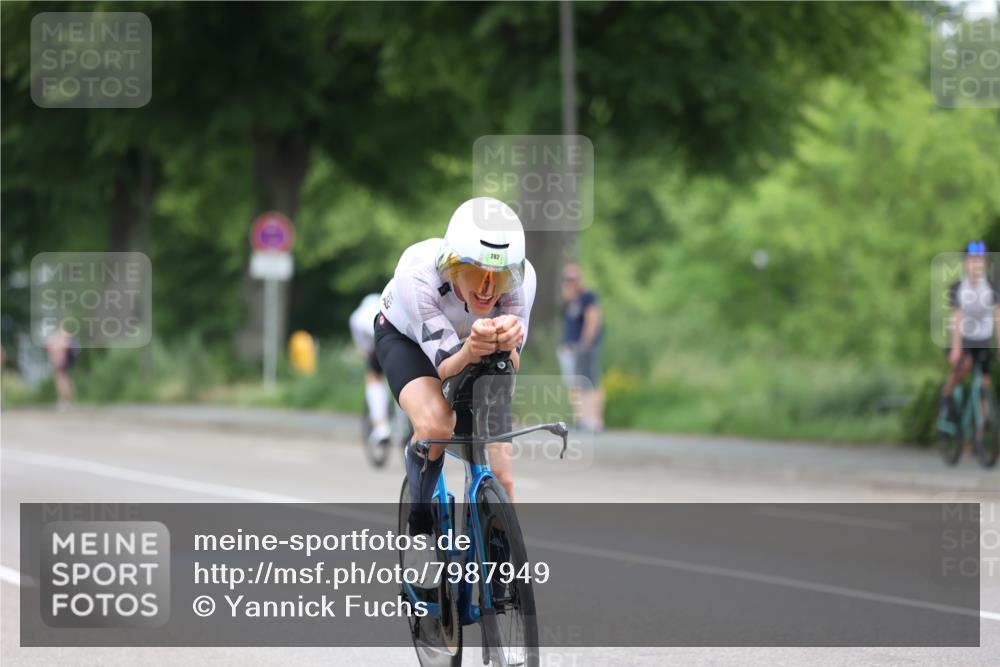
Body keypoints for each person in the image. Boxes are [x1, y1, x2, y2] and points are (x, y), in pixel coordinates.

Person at [375, 196, 536, 547]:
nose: (487, 289)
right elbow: (446, 368)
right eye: (475, 273)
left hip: (472, 345)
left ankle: (501, 576)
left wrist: (507, 345)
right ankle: (418, 530)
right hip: (409, 341)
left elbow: (512, 369)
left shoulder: (522, 281)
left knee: (504, 480)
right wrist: (471, 348)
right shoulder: (417, 275)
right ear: (452, 266)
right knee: (437, 426)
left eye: (501, 277)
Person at [939, 241, 1000, 423]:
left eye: (980, 260)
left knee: (985, 381)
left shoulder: (992, 287)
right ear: (965, 263)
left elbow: (998, 316)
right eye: (972, 260)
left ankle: (983, 428)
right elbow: (956, 319)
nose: (976, 264)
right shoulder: (957, 287)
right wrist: (956, 349)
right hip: (962, 337)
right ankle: (946, 395)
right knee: (964, 365)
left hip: (982, 338)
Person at [559, 263, 604, 432]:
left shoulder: (587, 297)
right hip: (571, 348)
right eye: (567, 279)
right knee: (576, 384)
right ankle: (582, 419)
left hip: (583, 347)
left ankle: (595, 420)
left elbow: (593, 319)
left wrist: (585, 343)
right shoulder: (573, 300)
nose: (570, 282)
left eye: (573, 279)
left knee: (590, 382)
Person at [349, 293, 392, 444]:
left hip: (381, 340)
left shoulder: (356, 317)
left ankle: (381, 426)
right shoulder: (389, 302)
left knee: (373, 378)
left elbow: (364, 349)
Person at [46, 323, 80, 410]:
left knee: (62, 381)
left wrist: (57, 361)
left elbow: (57, 351)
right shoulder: (65, 336)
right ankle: (70, 400)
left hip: (61, 362)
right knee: (66, 380)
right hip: (65, 362)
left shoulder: (59, 338)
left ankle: (64, 400)